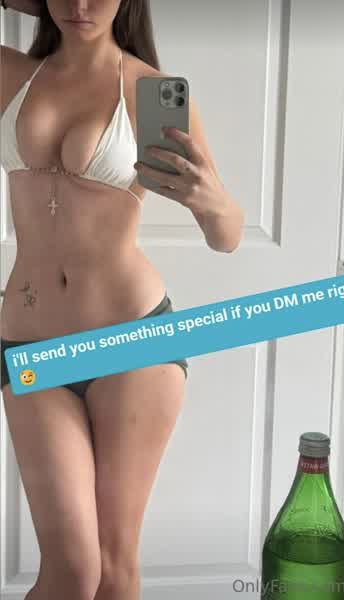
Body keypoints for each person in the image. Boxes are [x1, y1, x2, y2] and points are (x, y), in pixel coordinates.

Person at [0, 1, 244, 599]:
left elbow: (227, 237)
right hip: (31, 347)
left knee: (113, 570)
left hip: (133, 341)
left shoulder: (152, 93)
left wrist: (210, 200)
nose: (80, 6)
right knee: (70, 571)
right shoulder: (9, 74)